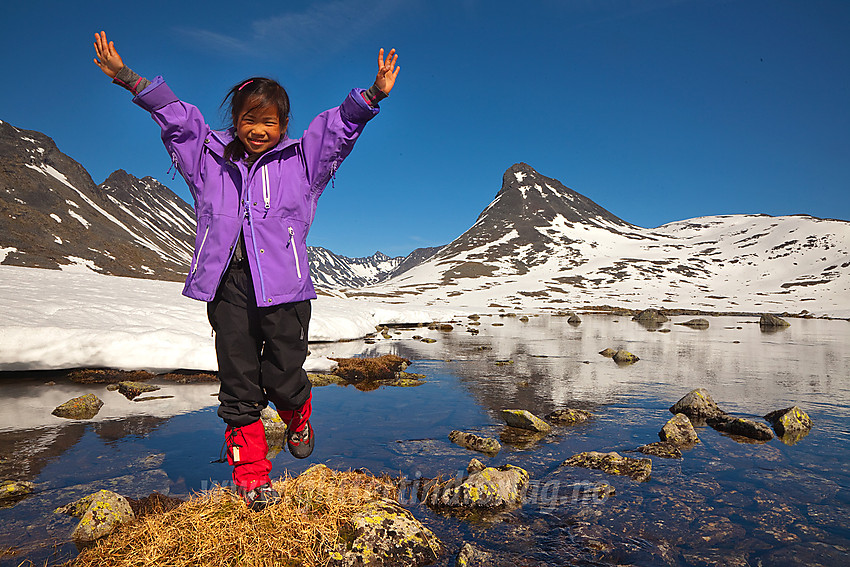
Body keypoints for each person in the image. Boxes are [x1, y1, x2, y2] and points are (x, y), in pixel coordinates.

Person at [92, 31, 399, 510]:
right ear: (235, 121)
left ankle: (297, 414)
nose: (259, 129)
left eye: (269, 121)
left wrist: (373, 94)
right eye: (249, 119)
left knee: (281, 378)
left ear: (283, 125)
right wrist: (129, 78)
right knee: (238, 383)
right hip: (228, 286)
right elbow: (178, 120)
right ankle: (253, 477)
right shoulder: (207, 159)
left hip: (285, 289)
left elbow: (337, 128)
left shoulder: (302, 162)